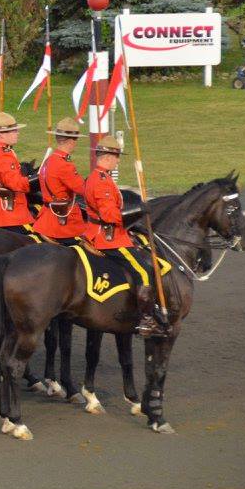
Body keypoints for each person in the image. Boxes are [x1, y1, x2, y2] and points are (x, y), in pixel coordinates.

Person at [83, 136, 167, 338]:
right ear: (109, 156)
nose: (118, 160)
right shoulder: (101, 181)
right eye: (117, 156)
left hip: (111, 233)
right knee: (145, 271)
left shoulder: (102, 177)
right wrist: (139, 209)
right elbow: (109, 215)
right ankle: (146, 321)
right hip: (108, 238)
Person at [31, 118, 87, 242]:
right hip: (64, 222)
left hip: (47, 217)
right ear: (71, 141)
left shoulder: (49, 160)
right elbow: (84, 190)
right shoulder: (65, 165)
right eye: (76, 139)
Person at [0, 112, 35, 231]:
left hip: (1, 209)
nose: (17, 133)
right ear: (2, 134)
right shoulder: (3, 155)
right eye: (14, 131)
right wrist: (37, 180)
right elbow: (15, 184)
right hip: (7, 212)